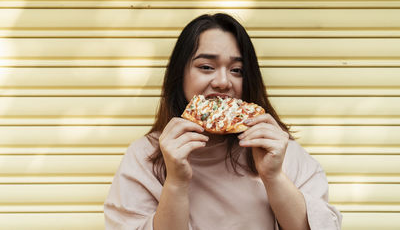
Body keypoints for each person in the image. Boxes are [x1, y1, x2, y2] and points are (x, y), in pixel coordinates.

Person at [104, 13, 342, 230]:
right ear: (180, 75)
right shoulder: (146, 155)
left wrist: (274, 176)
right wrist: (176, 182)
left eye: (237, 70)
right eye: (206, 67)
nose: (222, 82)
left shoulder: (279, 149)